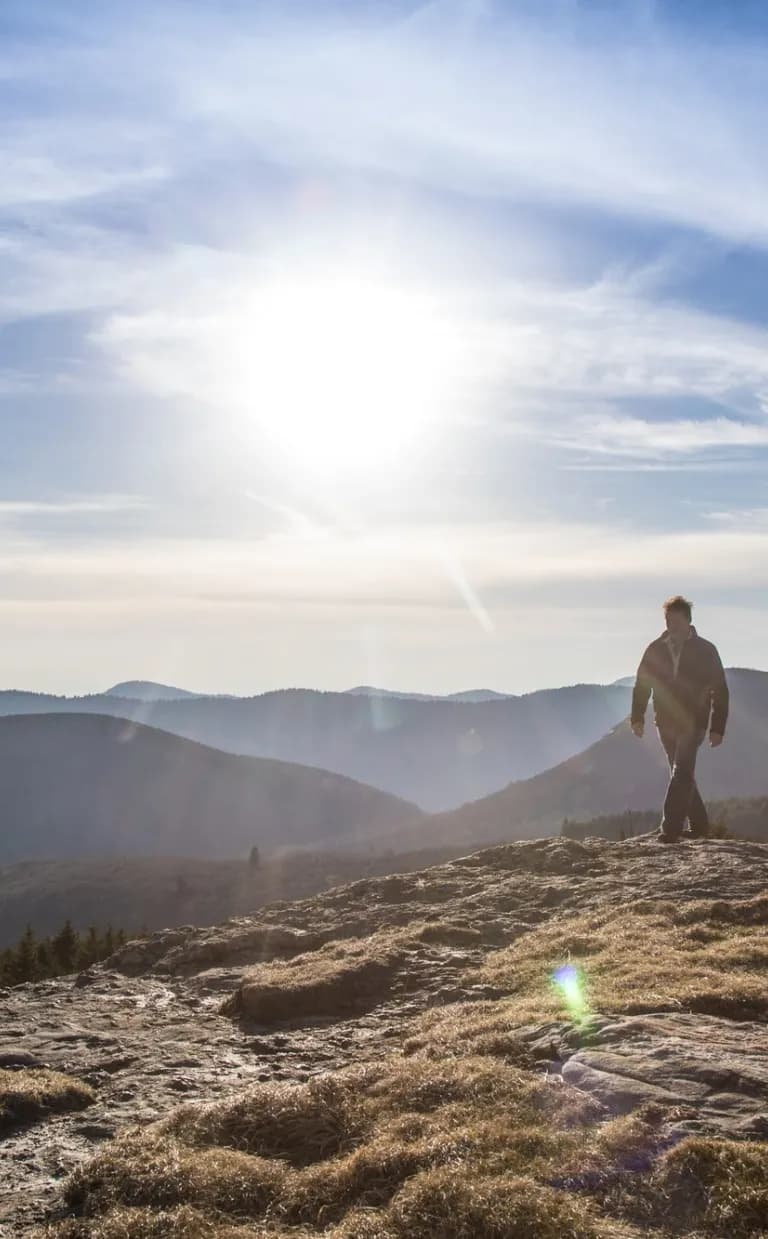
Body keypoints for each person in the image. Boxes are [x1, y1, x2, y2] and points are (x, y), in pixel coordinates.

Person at [631, 596, 728, 844]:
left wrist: (717, 728)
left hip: (693, 722)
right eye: (667, 620)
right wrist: (637, 717)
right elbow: (643, 684)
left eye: (675, 620)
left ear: (688, 620)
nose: (670, 625)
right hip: (664, 721)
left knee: (681, 771)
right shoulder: (655, 648)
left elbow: (720, 690)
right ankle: (699, 825)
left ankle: (670, 829)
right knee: (682, 773)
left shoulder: (706, 650)